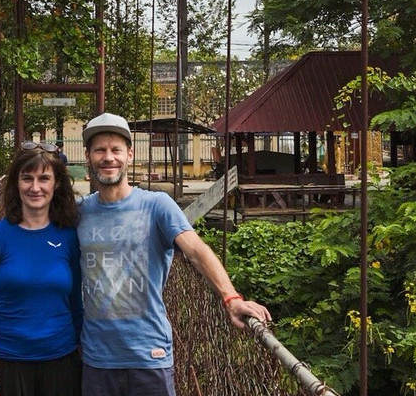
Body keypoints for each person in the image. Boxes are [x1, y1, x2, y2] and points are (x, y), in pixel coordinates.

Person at [77, 112, 272, 396]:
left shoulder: (156, 205)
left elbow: (196, 251)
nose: (109, 158)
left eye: (116, 150)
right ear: (88, 156)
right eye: (100, 150)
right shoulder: (79, 212)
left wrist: (230, 298)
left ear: (130, 154)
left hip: (149, 355)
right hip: (97, 357)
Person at [0, 141, 83, 396]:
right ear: (16, 183)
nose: (35, 187)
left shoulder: (69, 237)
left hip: (62, 363)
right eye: (27, 178)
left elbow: (77, 306)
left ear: (56, 184)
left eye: (44, 178)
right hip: (9, 365)